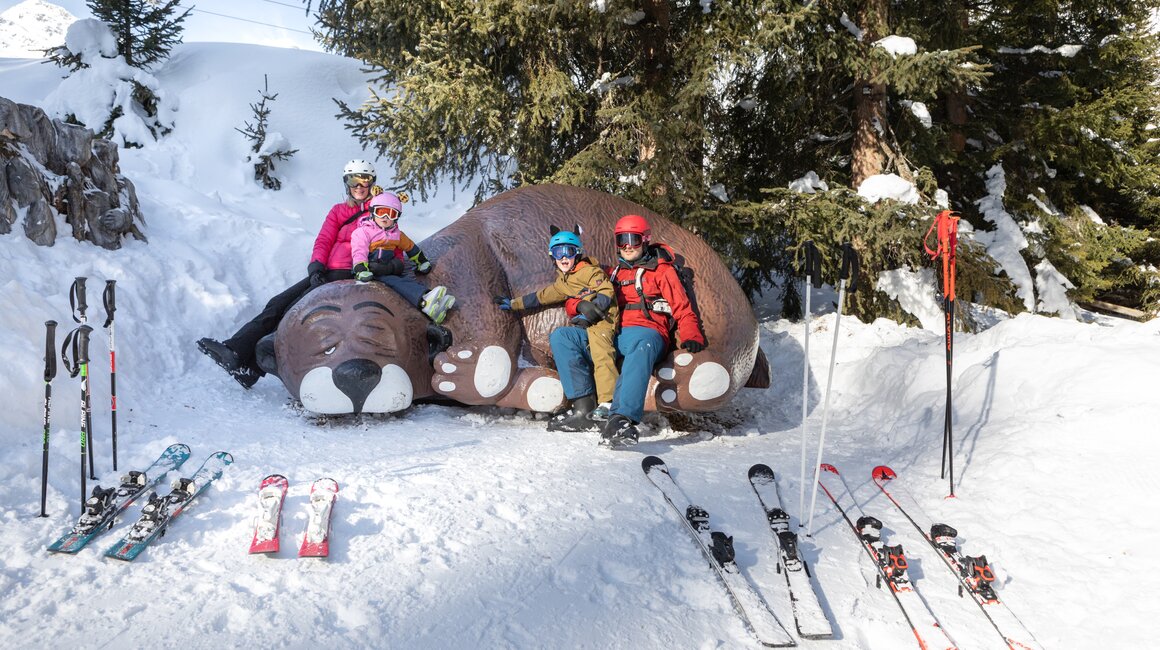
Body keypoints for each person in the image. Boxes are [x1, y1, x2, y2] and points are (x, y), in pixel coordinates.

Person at [197, 159, 378, 388]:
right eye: (354, 180)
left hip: (349, 277)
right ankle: (240, 359)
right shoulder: (339, 211)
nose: (360, 186)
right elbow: (324, 240)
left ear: (372, 183)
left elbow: (385, 242)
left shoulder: (379, 212)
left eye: (365, 180)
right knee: (278, 304)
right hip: (327, 273)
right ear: (346, 184)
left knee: (292, 313)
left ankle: (243, 361)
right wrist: (316, 267)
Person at [493, 226, 618, 431]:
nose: (564, 257)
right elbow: (542, 296)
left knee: (601, 353)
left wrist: (596, 308)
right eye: (558, 253)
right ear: (553, 256)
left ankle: (608, 404)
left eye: (568, 251)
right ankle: (582, 406)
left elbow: (605, 289)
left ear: (577, 253)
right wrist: (514, 303)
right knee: (560, 337)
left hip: (602, 321)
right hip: (584, 326)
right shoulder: (563, 282)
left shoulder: (589, 271)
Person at [600, 214, 706, 446]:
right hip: (617, 334)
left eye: (633, 239)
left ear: (645, 240)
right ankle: (583, 407)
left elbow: (683, 308)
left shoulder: (662, 271)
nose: (627, 246)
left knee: (640, 345)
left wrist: (691, 334)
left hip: (649, 332)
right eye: (621, 240)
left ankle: (622, 418)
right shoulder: (613, 274)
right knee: (566, 337)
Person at [351, 191, 455, 324]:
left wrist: (421, 261)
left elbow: (411, 248)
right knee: (396, 282)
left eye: (391, 214)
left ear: (396, 217)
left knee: (404, 279)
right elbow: (359, 251)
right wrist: (361, 269)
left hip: (387, 268)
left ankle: (434, 306)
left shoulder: (397, 234)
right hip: (369, 270)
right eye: (381, 211)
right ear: (372, 212)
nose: (385, 217)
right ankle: (424, 301)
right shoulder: (363, 232)